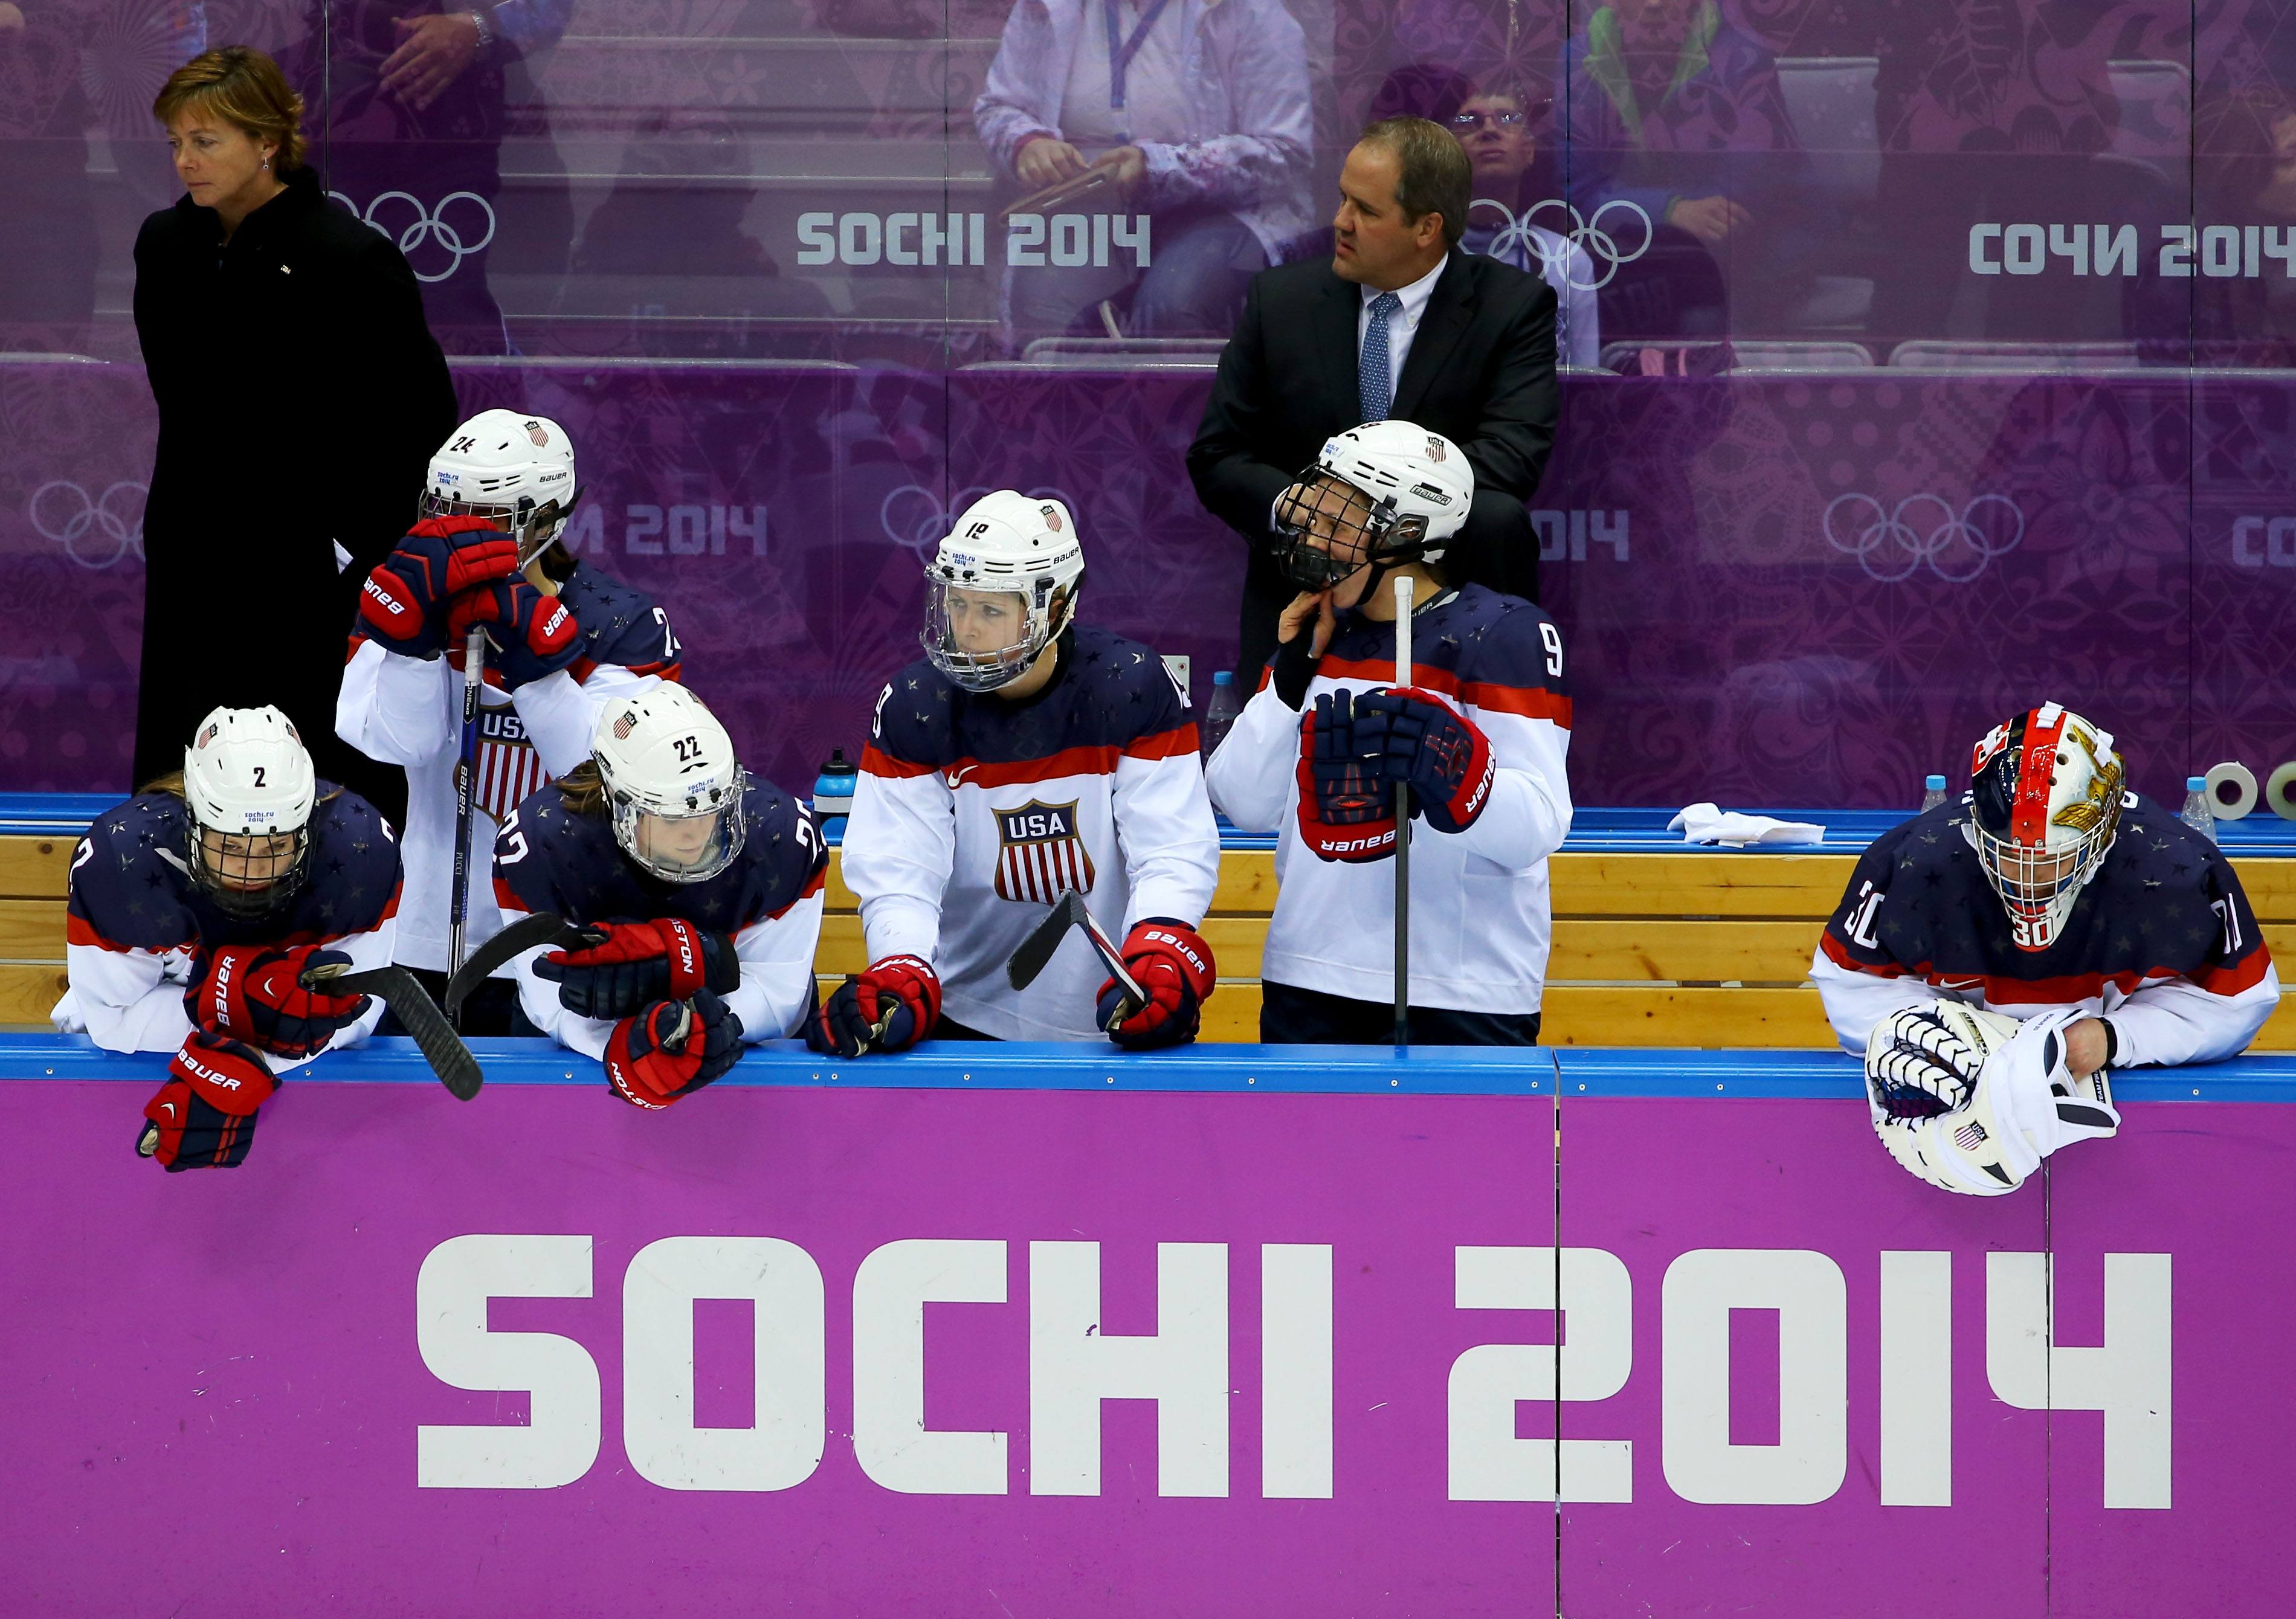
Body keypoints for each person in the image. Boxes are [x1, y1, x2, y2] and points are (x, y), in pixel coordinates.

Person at [133, 47, 456, 820]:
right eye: (176, 142)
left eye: (205, 141)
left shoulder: (350, 258)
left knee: (315, 788)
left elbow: (419, 425)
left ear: (267, 141)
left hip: (311, 580)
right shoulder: (165, 246)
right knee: (189, 775)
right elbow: (186, 405)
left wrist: (342, 545)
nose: (185, 161)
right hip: (194, 558)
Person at [1815, 703, 2282, 1196]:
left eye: (2057, 858)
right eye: (2009, 855)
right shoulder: (1913, 862)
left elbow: (2236, 1003)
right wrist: (1949, 1041)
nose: (2029, 878)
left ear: (2105, 831)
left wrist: (2114, 1038)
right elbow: (1852, 987)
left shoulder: (2177, 871)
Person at [1203, 422, 1573, 1044]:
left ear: (1407, 531)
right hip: (1308, 973)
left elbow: (1539, 825)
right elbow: (1244, 803)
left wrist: (1456, 771)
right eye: (1313, 516)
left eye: (1336, 523)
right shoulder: (1318, 633)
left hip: (1460, 987)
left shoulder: (1501, 635)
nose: (1312, 538)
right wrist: (1289, 675)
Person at [822, 490, 1221, 1052]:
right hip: (965, 1011)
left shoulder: (1131, 685)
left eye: (991, 610)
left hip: (1120, 1003)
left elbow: (1171, 850)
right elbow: (901, 871)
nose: (967, 629)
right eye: (957, 604)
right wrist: (900, 964)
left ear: (1055, 607)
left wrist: (1160, 945)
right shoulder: (917, 704)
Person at [337, 410, 686, 1033]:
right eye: (447, 510)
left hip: (567, 933)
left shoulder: (619, 621)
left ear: (547, 519)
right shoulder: (410, 590)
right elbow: (398, 744)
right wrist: (412, 647)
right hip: (425, 937)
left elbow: (608, 779)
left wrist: (540, 672)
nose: (460, 531)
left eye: (487, 516)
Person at [1188, 115, 1558, 679]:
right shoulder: (1279, 302)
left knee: (1496, 517)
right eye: (1343, 200)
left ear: (1427, 227)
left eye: (1366, 210)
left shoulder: (1512, 307)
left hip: (1441, 575)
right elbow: (1217, 455)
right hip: (1305, 576)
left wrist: (1374, 519)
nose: (1341, 221)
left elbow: (1513, 454)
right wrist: (1316, 515)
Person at [55, 706, 403, 1171]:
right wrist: (250, 1033)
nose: (251, 871)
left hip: (278, 1090)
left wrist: (232, 1063)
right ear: (193, 823)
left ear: (305, 830)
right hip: (125, 1068)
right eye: (231, 846)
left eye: (276, 846)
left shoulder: (361, 850)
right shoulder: (122, 860)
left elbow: (357, 1011)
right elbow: (112, 1023)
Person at [493, 685, 827, 1109]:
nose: (695, 834)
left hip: (746, 1066)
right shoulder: (543, 845)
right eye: (671, 819)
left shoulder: (780, 836)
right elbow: (552, 1004)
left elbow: (778, 994)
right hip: (575, 1064)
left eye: (713, 810)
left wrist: (693, 1034)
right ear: (617, 802)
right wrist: (621, 1046)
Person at [973, 0, 1313, 340]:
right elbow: (999, 105)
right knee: (1044, 308)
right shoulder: (1047, 6)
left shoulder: (1248, 10)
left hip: (1228, 211)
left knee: (1173, 305)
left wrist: (1158, 168)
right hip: (1089, 206)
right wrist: (1027, 144)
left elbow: (1285, 152)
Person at [1557, 0, 1814, 330]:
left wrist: (1659, 210)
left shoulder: (1745, 57)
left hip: (1747, 249)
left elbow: (1745, 194)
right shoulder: (1578, 58)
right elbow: (1575, 192)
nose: (1653, 3)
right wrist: (1670, 209)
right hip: (1632, 249)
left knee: (1704, 314)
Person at [1448, 85, 1600, 369]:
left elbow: (1585, 382)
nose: (1489, 131)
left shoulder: (1568, 261)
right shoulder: (1420, 258)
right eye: (1470, 121)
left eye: (1507, 119)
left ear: (1529, 152)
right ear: (1449, 154)